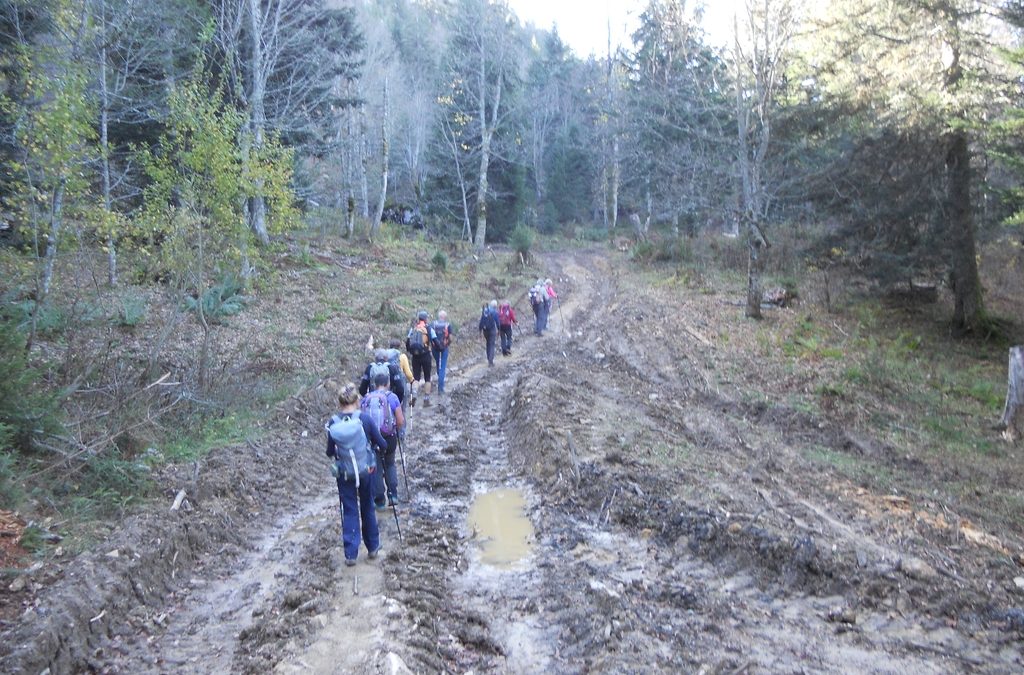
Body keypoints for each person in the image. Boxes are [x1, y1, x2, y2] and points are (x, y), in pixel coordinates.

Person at [325, 383, 387, 566]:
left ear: (340, 402)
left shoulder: (333, 423)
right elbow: (382, 444)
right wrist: (375, 448)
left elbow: (329, 452)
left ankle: (351, 554)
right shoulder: (365, 420)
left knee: (350, 509)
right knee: (367, 506)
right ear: (357, 400)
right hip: (366, 470)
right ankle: (373, 547)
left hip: (345, 474)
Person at [362, 373, 405, 510]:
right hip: (389, 437)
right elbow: (400, 420)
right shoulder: (392, 397)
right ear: (388, 383)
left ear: (374, 384)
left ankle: (379, 500)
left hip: (373, 439)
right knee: (390, 463)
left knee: (377, 467)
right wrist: (395, 430)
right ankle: (393, 495)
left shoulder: (366, 399)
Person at [406, 310, 437, 407]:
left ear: (419, 318)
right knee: (427, 377)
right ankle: (426, 400)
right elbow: (435, 341)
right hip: (426, 355)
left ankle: (414, 394)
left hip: (415, 356)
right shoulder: (429, 329)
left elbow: (407, 342)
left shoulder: (413, 328)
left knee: (416, 377)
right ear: (426, 318)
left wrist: (410, 351)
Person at [431, 310, 453, 395]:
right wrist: (447, 344)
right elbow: (450, 338)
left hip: (435, 348)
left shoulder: (433, 324)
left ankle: (440, 378)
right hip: (444, 348)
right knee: (442, 367)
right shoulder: (447, 325)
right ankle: (440, 389)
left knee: (438, 364)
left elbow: (429, 336)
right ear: (445, 317)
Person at [478, 299, 499, 366]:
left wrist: (480, 331)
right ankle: (491, 361)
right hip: (492, 329)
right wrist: (499, 329)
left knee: (488, 343)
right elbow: (497, 322)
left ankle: (488, 358)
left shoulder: (485, 310)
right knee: (492, 344)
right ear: (495, 306)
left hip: (485, 330)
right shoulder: (494, 312)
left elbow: (481, 321)